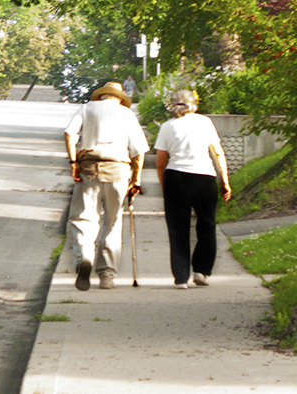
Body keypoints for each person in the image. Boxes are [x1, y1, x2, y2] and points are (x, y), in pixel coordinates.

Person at [64, 81, 149, 290]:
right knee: (112, 222)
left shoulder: (86, 108)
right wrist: (136, 179)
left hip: (88, 168)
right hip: (117, 170)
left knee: (83, 217)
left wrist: (73, 162)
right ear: (120, 97)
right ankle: (107, 276)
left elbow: (69, 133)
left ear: (101, 96)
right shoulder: (126, 114)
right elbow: (139, 150)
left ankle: (84, 256)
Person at [155, 89, 232, 288]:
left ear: (173, 105)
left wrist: (164, 185)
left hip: (177, 177)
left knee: (177, 228)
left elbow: (161, 162)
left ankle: (181, 277)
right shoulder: (205, 122)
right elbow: (217, 152)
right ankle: (201, 271)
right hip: (204, 176)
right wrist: (225, 180)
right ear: (194, 105)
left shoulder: (167, 127)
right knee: (207, 224)